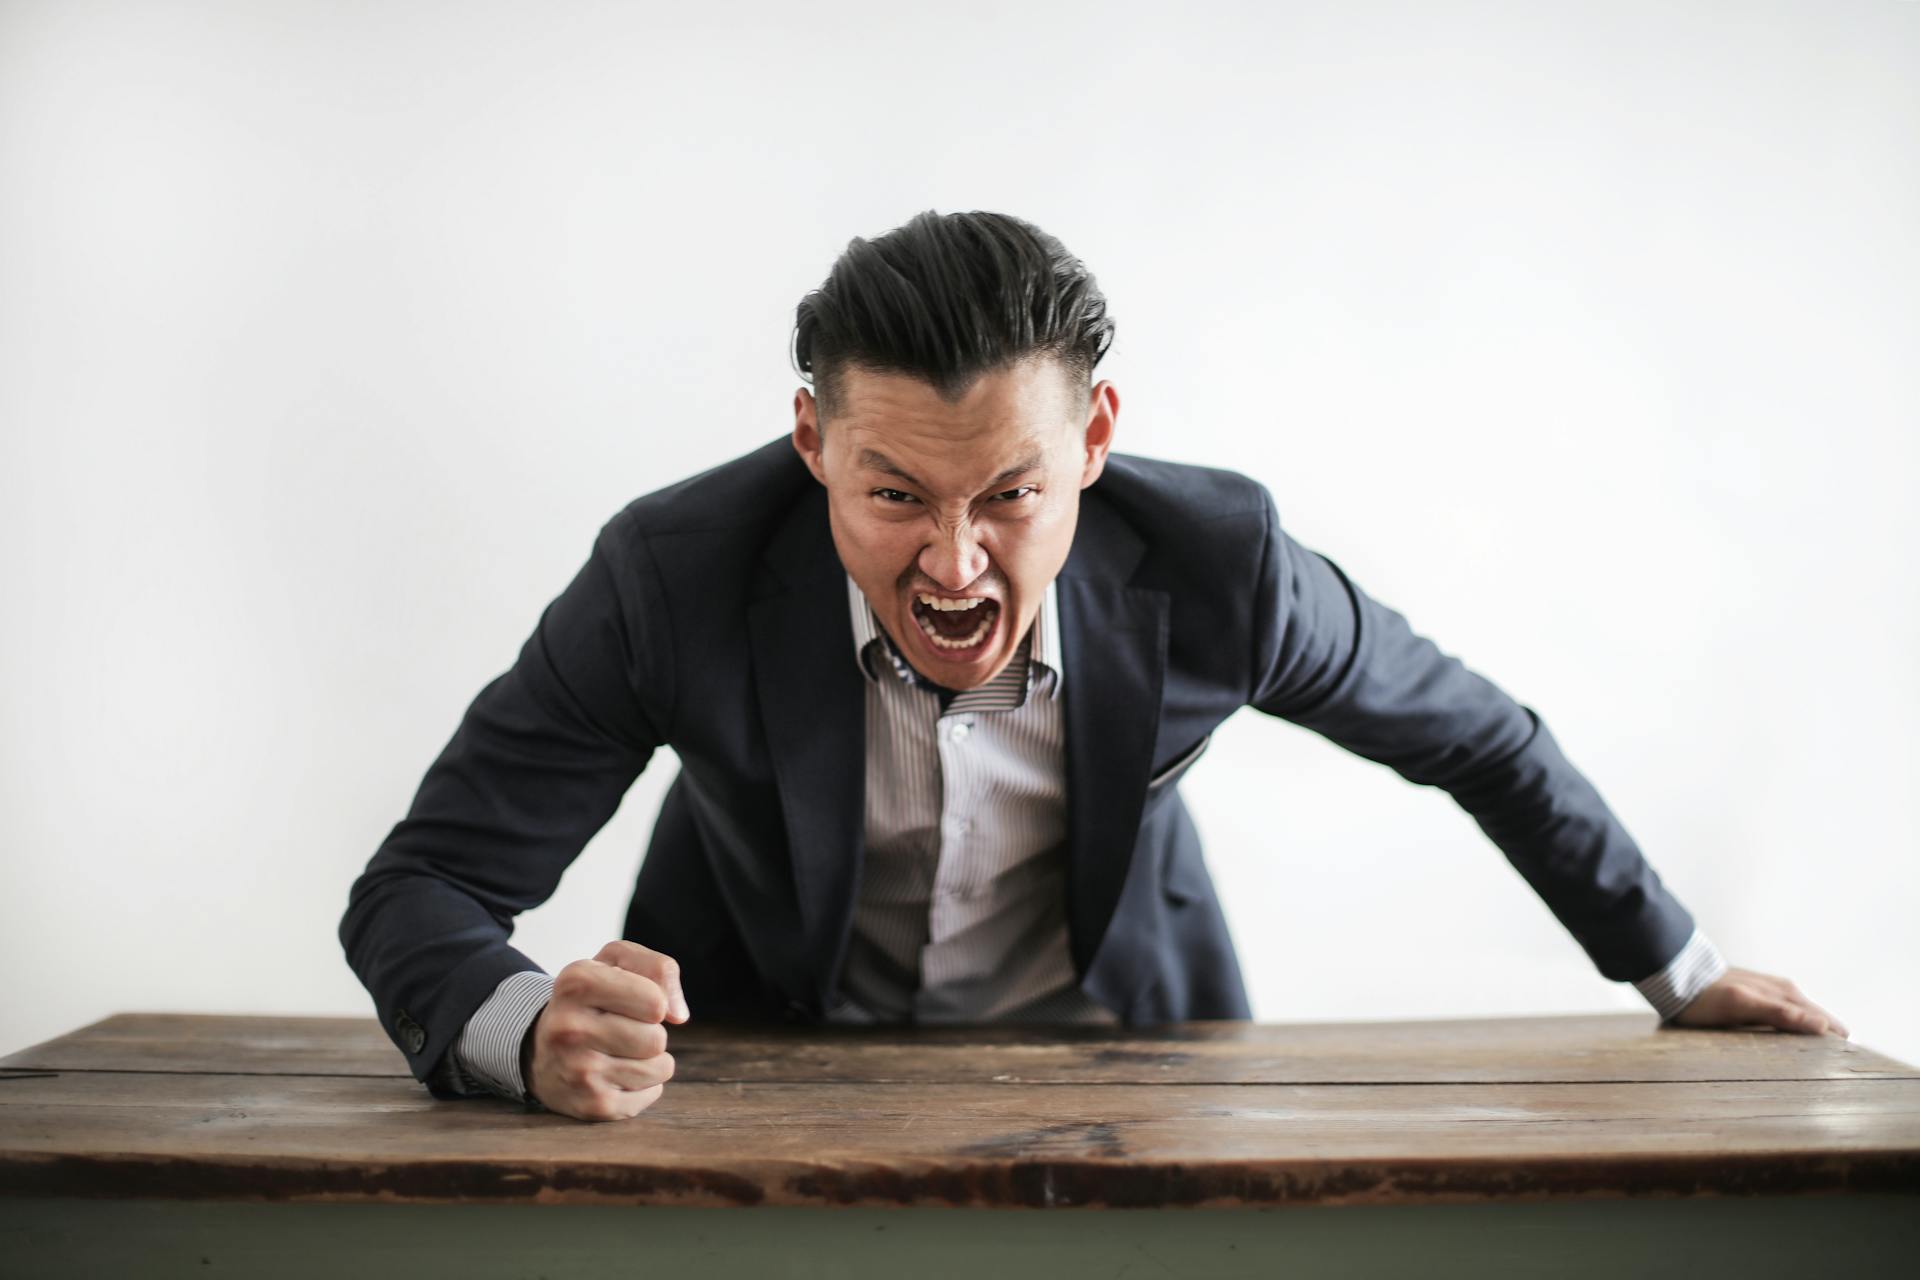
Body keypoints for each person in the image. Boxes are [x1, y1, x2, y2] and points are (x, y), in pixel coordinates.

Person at [339, 209, 1848, 1124]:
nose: (952, 564)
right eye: (891, 495)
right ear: (812, 445)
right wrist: (524, 1029)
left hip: (1131, 1060)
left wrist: (1681, 969)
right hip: (754, 1064)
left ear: (1097, 445)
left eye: (1009, 494)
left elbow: (1480, 739)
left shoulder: (1224, 569)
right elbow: (419, 891)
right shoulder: (671, 579)